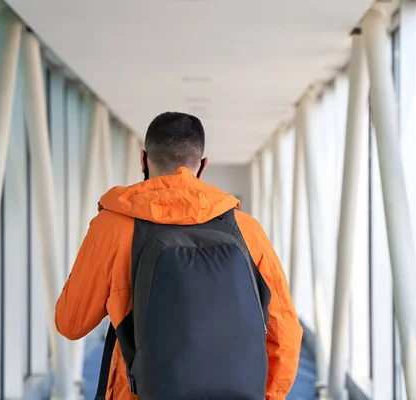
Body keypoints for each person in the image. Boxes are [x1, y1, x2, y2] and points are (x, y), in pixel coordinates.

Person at [55, 112, 302, 399]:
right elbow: (285, 333)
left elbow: (70, 323)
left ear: (143, 159)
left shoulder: (112, 227)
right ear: (203, 165)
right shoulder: (246, 229)